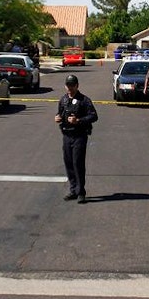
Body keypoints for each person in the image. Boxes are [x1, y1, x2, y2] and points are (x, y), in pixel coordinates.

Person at [55, 74, 98, 204]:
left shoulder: (84, 100)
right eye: (68, 85)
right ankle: (73, 190)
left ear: (77, 86)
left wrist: (78, 120)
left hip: (79, 135)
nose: (70, 88)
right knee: (68, 163)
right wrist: (57, 118)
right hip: (66, 136)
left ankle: (81, 192)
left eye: (72, 85)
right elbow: (60, 113)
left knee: (77, 163)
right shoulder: (63, 100)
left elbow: (93, 116)